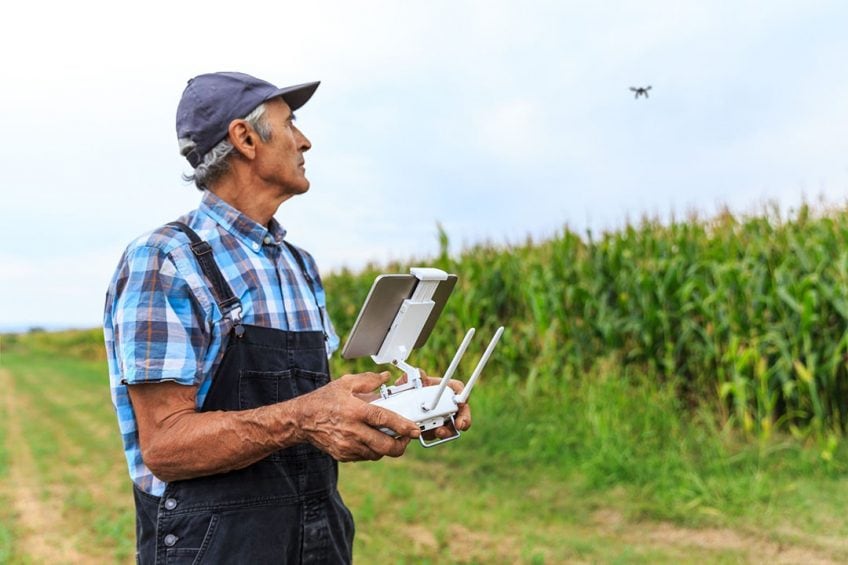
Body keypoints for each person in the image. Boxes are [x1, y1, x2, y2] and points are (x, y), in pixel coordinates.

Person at [103, 71, 471, 564]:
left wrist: (403, 404)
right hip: (217, 546)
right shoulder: (166, 258)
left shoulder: (297, 263)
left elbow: (313, 403)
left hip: (317, 536)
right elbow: (166, 445)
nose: (305, 140)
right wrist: (305, 417)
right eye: (290, 122)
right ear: (245, 138)